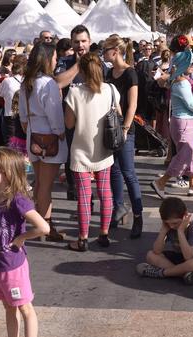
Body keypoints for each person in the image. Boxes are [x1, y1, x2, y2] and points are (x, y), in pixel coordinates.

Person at [0, 147, 47, 337]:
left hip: (13, 266)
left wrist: (22, 238)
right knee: (9, 307)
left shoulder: (18, 201)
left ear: (7, 173)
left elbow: (43, 227)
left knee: (25, 308)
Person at [64, 53, 118, 251]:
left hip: (80, 151)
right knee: (105, 192)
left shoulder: (75, 93)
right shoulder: (111, 89)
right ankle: (104, 234)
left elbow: (68, 123)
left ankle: (83, 238)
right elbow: (118, 114)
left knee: (84, 196)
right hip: (103, 150)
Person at [18, 42, 67, 242]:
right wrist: (60, 132)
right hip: (50, 138)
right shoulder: (48, 84)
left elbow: (22, 116)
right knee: (46, 186)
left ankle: (40, 223)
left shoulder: (26, 82)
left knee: (39, 184)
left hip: (33, 135)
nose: (56, 60)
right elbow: (55, 114)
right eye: (54, 57)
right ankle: (45, 227)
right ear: (47, 59)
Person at [150, 50, 193, 198]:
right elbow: (191, 105)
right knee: (185, 156)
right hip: (184, 122)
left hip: (184, 122)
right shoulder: (182, 82)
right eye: (190, 63)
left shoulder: (177, 80)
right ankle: (161, 182)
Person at [103, 35, 144, 238]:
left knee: (128, 173)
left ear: (116, 51)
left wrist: (126, 129)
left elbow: (133, 104)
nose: (103, 53)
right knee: (114, 171)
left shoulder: (130, 73)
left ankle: (138, 216)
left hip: (125, 128)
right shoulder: (110, 72)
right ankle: (118, 208)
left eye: (105, 50)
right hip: (111, 128)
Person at [136, 197, 193, 285]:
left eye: (175, 223)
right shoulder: (169, 226)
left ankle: (162, 273)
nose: (172, 226)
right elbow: (157, 251)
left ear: (185, 215)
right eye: (167, 223)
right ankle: (184, 274)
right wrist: (163, 231)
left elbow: (188, 256)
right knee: (150, 255)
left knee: (192, 264)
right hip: (179, 255)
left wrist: (180, 231)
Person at [55, 25, 92, 202]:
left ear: (89, 42)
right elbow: (58, 83)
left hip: (92, 122)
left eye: (83, 41)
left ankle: (88, 198)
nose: (80, 45)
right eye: (76, 42)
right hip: (70, 121)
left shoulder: (97, 63)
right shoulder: (65, 62)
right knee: (72, 159)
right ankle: (76, 192)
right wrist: (78, 64)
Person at [0, 56, 28, 148]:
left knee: (11, 138)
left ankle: (12, 158)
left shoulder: (7, 81)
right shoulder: (27, 81)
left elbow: (0, 93)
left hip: (10, 113)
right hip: (24, 113)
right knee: (22, 137)